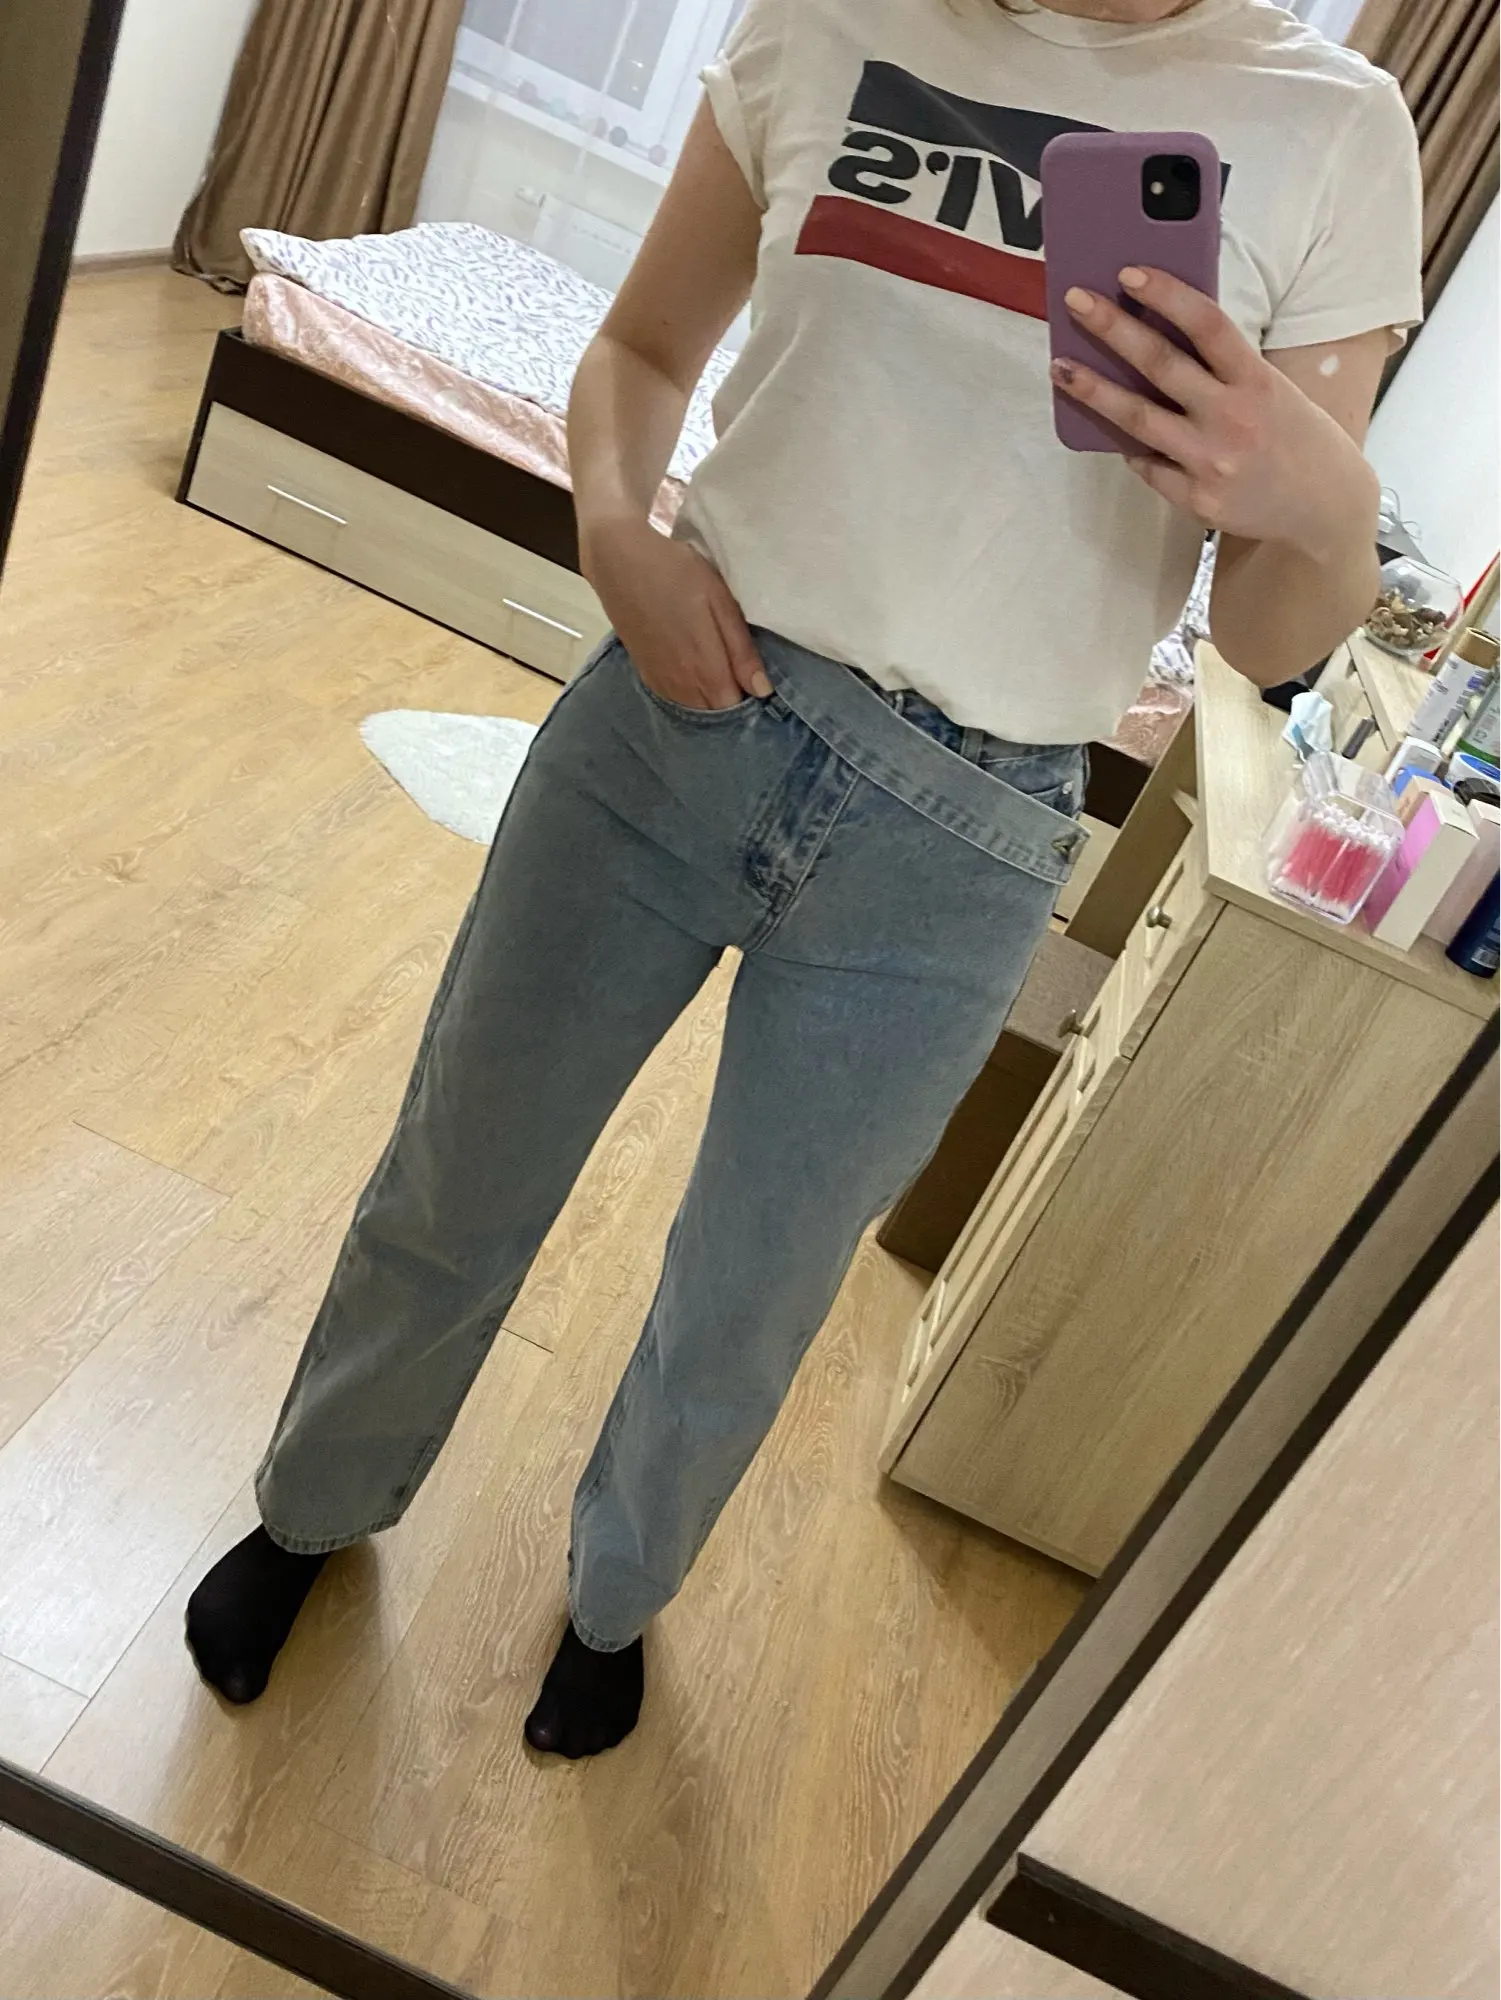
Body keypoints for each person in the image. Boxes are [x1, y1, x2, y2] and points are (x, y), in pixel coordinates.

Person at [186, 0, 1421, 1756]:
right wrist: (615, 535)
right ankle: (313, 1504)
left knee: (750, 1298)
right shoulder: (832, 12)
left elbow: (1267, 642)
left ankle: (616, 1598)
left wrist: (1321, 501)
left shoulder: (1334, 127)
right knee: (460, 1169)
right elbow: (641, 349)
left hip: (963, 838)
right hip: (679, 710)